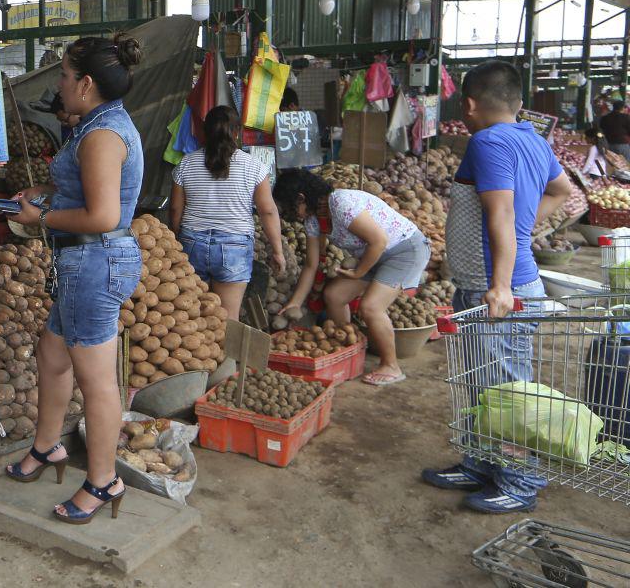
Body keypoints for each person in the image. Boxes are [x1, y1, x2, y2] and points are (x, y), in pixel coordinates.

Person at [3, 34, 144, 524]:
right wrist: (44, 191)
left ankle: (104, 482)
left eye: (63, 76)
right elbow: (81, 189)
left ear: (85, 84)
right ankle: (47, 448)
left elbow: (104, 215)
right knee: (51, 355)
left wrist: (39, 220)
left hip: (95, 261)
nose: (59, 85)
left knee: (97, 381)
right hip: (84, 262)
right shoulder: (95, 126)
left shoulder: (102, 135)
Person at [422, 60, 571, 514]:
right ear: (519, 102)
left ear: (469, 104)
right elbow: (562, 191)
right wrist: (527, 230)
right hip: (482, 286)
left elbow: (501, 215)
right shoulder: (532, 139)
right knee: (479, 385)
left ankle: (520, 482)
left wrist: (501, 284)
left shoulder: (487, 141)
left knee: (507, 390)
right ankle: (481, 464)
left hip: (496, 291)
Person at [273, 169, 430, 386]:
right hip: (373, 255)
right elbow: (311, 265)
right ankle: (349, 346)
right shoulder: (312, 221)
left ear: (301, 197)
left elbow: (379, 241)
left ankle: (391, 366)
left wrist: (359, 273)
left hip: (404, 250)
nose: (293, 214)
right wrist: (294, 303)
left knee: (370, 307)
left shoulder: (341, 203)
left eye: (291, 207)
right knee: (334, 295)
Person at [169, 105, 284, 320]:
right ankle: (225, 354)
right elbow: (267, 211)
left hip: (192, 242)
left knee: (194, 315)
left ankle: (200, 355)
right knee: (227, 318)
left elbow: (176, 208)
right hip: (234, 246)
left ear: (203, 132)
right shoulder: (254, 166)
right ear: (236, 132)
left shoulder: (186, 163)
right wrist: (277, 250)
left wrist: (179, 238)